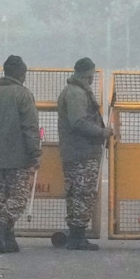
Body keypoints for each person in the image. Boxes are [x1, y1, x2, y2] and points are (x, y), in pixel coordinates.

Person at [0, 55, 41, 253]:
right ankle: (1, 228)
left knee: (0, 196)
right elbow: (30, 127)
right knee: (19, 197)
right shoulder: (23, 95)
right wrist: (35, 153)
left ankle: (7, 238)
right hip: (18, 156)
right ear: (21, 74)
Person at [57, 57, 112, 251]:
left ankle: (76, 234)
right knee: (83, 194)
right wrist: (101, 132)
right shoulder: (76, 94)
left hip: (76, 150)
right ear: (89, 74)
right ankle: (77, 236)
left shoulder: (75, 91)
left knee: (77, 194)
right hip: (81, 151)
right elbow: (78, 122)